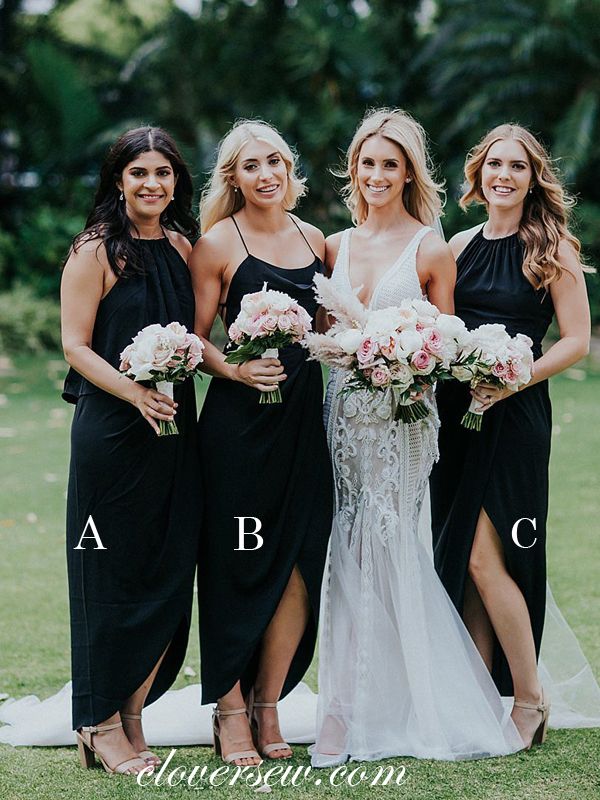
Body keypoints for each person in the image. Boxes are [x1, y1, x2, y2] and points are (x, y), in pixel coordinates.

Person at [311, 108, 523, 766]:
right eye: (367, 163)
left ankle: (415, 705)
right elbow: (324, 337)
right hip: (343, 416)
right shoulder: (333, 246)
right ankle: (343, 711)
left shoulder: (430, 247)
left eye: (390, 165)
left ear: (408, 172)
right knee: (344, 546)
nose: (377, 175)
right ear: (355, 169)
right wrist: (352, 355)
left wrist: (403, 367)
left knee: (394, 544)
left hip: (404, 421)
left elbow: (445, 345)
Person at [430, 124, 592, 750]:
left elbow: (575, 341)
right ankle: (479, 702)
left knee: (485, 555)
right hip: (457, 415)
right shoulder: (459, 242)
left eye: (517, 167)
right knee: (468, 562)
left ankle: (530, 698)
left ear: (532, 178)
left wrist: (516, 377)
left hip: (515, 417)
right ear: (478, 174)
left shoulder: (550, 246)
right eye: (494, 164)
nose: (503, 175)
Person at [189, 120, 333, 765]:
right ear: (233, 178)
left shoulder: (318, 241)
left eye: (274, 161)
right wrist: (239, 369)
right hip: (237, 429)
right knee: (235, 561)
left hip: (304, 421)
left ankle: (269, 702)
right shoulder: (217, 243)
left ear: (288, 167)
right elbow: (194, 343)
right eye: (250, 166)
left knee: (302, 558)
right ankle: (228, 708)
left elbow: (328, 330)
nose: (265, 174)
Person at [61, 127, 201, 775]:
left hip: (176, 433)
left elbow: (202, 337)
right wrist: (136, 393)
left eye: (164, 173)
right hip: (114, 434)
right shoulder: (95, 252)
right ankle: (98, 721)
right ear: (118, 180)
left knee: (167, 574)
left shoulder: (180, 245)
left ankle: (135, 717)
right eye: (139, 173)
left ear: (177, 182)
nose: (152, 184)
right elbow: (75, 346)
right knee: (109, 579)